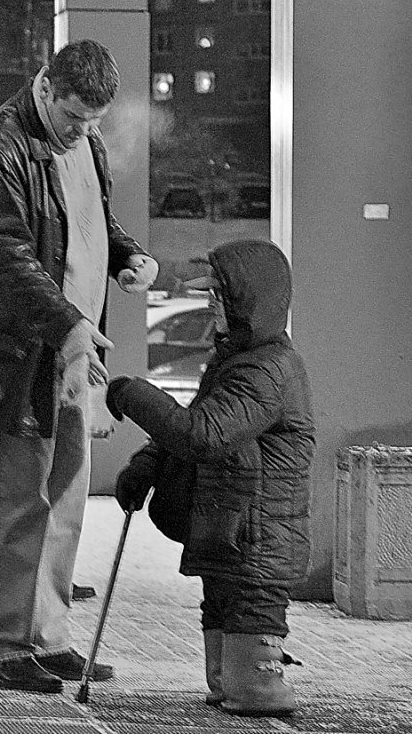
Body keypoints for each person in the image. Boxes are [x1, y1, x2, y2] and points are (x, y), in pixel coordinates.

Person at [0, 39, 158, 694]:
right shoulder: (1, 145)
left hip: (74, 356)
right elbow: (9, 256)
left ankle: (48, 637)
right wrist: (72, 324)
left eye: (94, 123)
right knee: (21, 503)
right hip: (21, 356)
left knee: (67, 500)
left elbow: (90, 221)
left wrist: (125, 255)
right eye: (74, 118)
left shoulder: (85, 142)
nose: (83, 133)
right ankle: (5, 648)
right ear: (45, 86)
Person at [106, 239, 314, 717]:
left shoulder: (267, 370)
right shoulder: (234, 359)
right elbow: (205, 419)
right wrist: (148, 463)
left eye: (222, 294)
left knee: (255, 690)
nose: (212, 302)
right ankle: (239, 690)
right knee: (227, 673)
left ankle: (260, 692)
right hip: (231, 530)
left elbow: (203, 435)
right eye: (211, 293)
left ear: (250, 300)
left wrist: (131, 393)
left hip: (258, 536)